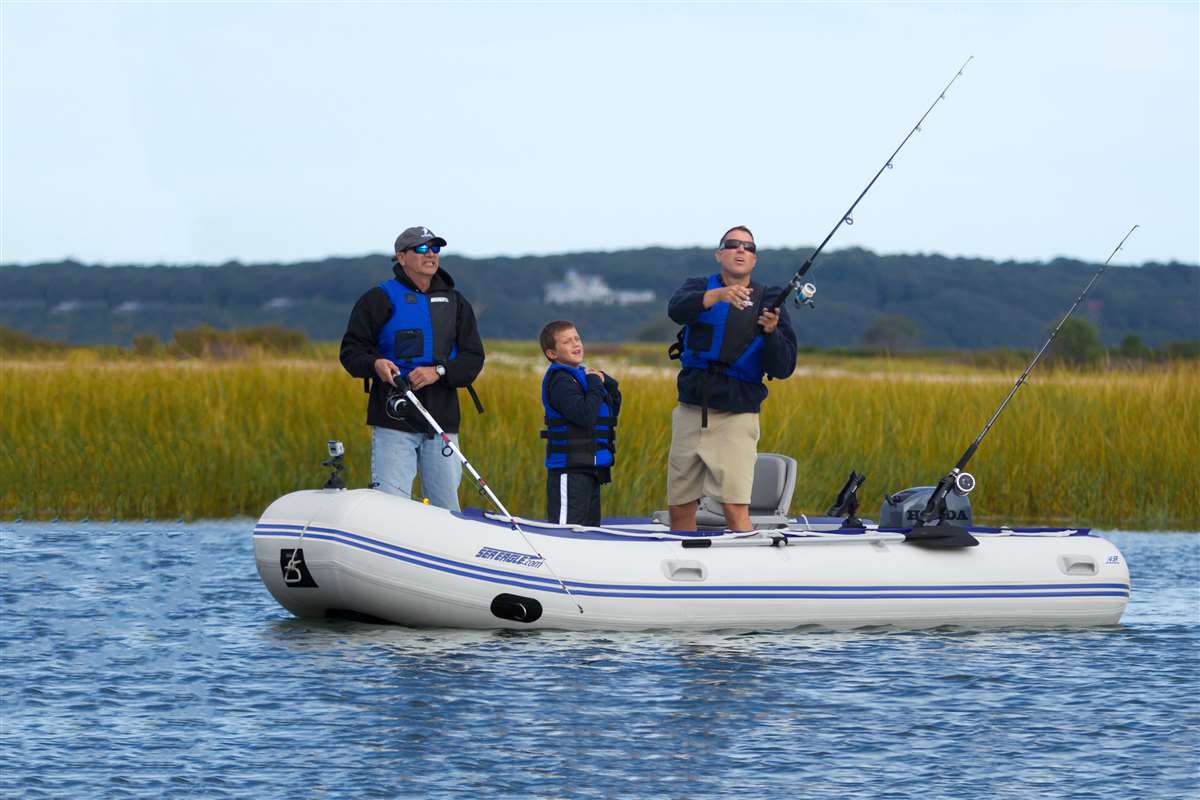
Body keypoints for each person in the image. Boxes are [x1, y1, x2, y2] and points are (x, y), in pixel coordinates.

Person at [339, 226, 485, 510]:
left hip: (442, 418)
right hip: (393, 416)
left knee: (445, 507)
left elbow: (472, 359)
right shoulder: (377, 299)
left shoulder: (456, 303)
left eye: (435, 248)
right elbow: (350, 352)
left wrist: (438, 372)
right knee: (391, 504)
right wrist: (375, 364)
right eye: (421, 249)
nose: (430, 254)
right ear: (401, 257)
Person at [665, 225, 797, 532]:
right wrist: (719, 295)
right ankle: (684, 564)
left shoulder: (772, 298)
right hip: (691, 410)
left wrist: (771, 332)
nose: (740, 250)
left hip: (737, 414)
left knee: (735, 507)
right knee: (680, 506)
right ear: (719, 254)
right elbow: (676, 309)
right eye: (733, 244)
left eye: (748, 247)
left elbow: (784, 366)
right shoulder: (697, 288)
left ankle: (748, 570)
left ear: (754, 260)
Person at [539, 320, 621, 526]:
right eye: (567, 342)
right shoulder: (560, 381)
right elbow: (585, 416)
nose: (576, 344)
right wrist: (595, 383)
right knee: (567, 532)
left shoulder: (584, 376)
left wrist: (606, 383)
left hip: (590, 470)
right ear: (552, 354)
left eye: (577, 338)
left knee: (590, 532)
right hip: (569, 471)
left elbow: (611, 411)